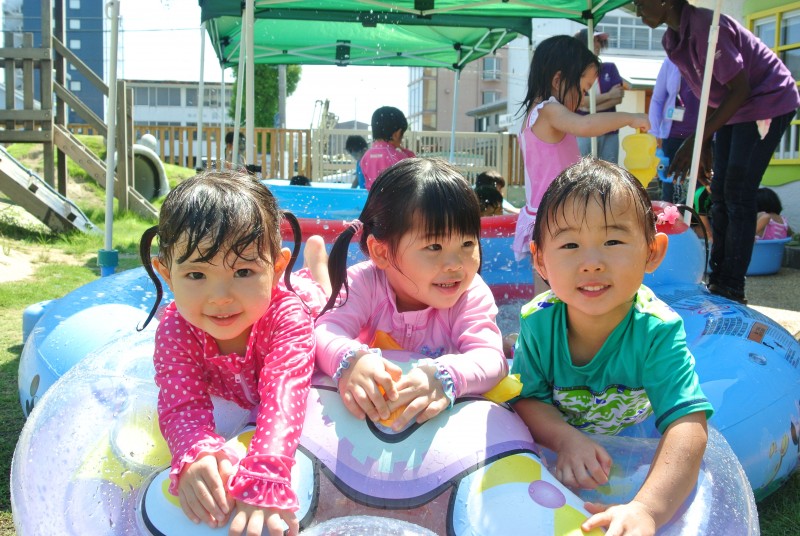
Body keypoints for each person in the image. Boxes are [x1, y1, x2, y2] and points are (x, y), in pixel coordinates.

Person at [511, 157, 713, 536]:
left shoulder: (657, 330)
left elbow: (688, 423)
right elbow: (527, 400)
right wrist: (566, 438)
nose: (591, 263)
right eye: (570, 244)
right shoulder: (538, 322)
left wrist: (647, 510)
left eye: (613, 241)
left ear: (652, 252)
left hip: (635, 436)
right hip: (562, 439)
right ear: (540, 259)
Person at [138, 170, 326, 536]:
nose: (221, 296)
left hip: (303, 302)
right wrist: (194, 453)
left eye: (242, 271)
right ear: (166, 273)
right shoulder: (177, 327)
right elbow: (182, 402)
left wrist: (267, 471)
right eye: (196, 275)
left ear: (274, 269)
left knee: (321, 293)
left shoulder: (287, 318)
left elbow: (284, 394)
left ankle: (315, 264)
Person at [310, 157, 508, 431]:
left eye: (467, 243)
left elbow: (491, 358)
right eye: (434, 247)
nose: (456, 264)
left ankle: (321, 271)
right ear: (382, 252)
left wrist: (447, 376)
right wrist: (350, 360)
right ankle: (319, 268)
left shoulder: (470, 293)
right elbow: (324, 330)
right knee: (319, 301)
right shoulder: (366, 283)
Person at [635, 0, 800, 304]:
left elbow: (740, 89)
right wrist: (707, 141)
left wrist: (697, 139)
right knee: (719, 191)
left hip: (766, 101)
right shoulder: (672, 40)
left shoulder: (706, 28)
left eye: (640, 3)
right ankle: (719, 281)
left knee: (737, 191)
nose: (637, 11)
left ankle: (733, 288)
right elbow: (709, 92)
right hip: (733, 109)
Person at [513, 34, 650, 290]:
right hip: (554, 215)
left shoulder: (535, 114)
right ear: (558, 80)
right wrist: (629, 117)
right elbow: (586, 125)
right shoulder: (548, 110)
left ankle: (540, 328)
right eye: (584, 89)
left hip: (547, 212)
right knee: (557, 286)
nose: (583, 98)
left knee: (548, 288)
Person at [649, 57, 701, 204]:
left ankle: (696, 226)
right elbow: (657, 99)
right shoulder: (670, 62)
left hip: (704, 137)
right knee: (670, 190)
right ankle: (669, 224)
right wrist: (654, 133)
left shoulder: (708, 57)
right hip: (672, 136)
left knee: (699, 190)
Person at [574, 29, 626, 163]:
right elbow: (580, 102)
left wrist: (590, 106)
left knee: (610, 172)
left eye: (599, 41)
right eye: (594, 40)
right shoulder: (575, 70)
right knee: (583, 171)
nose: (597, 44)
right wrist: (609, 95)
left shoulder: (609, 68)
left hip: (609, 130)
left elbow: (618, 98)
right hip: (584, 130)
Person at [361, 106, 415, 190]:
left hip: (373, 201)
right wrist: (405, 152)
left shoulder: (366, 156)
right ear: (397, 134)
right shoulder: (397, 157)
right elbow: (416, 169)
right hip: (396, 202)